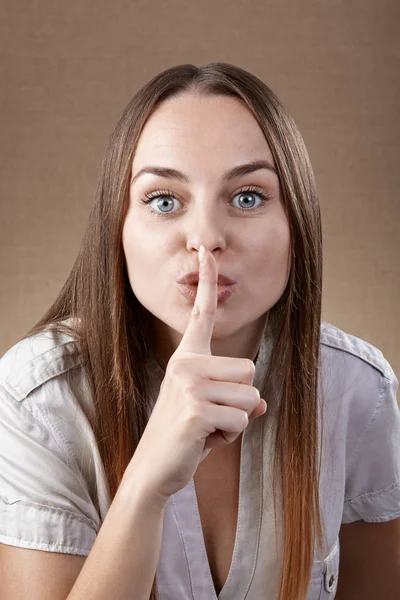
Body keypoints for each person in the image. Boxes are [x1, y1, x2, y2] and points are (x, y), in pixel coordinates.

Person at [0, 62, 399, 600]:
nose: (206, 237)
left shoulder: (358, 390)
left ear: (296, 222)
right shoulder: (37, 399)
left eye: (248, 197)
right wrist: (145, 485)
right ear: (117, 227)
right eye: (164, 201)